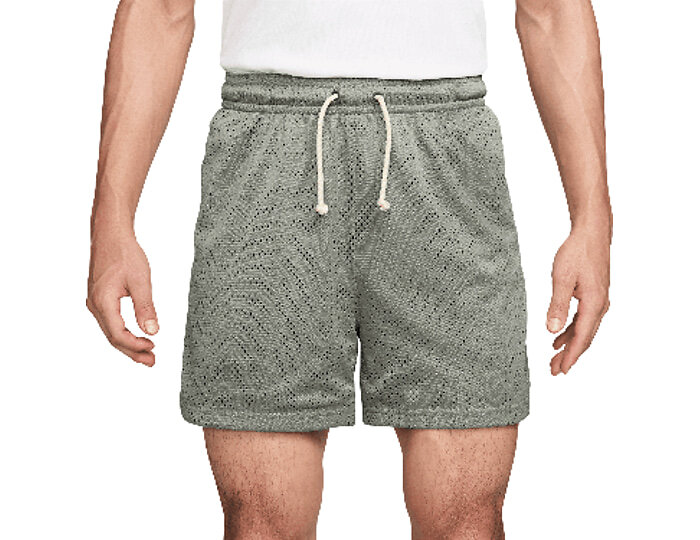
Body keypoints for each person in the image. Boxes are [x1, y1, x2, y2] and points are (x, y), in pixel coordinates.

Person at [87, 0, 612, 537]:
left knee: (466, 520)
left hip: (443, 145)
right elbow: (160, 8)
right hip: (269, 145)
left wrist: (593, 220)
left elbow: (551, 9)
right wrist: (111, 221)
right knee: (262, 521)